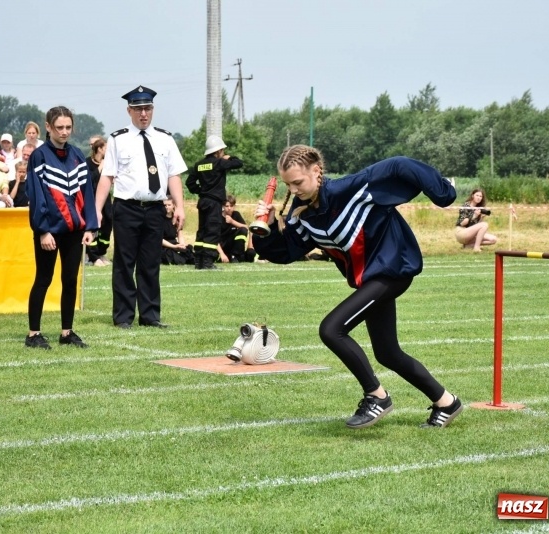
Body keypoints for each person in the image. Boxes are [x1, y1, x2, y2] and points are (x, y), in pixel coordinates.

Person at [252, 144, 463, 429]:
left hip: (393, 270)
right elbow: (285, 252)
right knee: (388, 353)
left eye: (298, 182)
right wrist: (264, 230)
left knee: (331, 329)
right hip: (372, 280)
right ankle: (447, 402)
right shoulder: (301, 213)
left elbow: (399, 163)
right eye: (288, 184)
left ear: (317, 171)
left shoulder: (351, 189)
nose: (294, 189)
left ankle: (377, 397)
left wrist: (443, 193)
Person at [94, 85, 187, 329]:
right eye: (138, 109)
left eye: (147, 108)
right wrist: (96, 209)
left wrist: (180, 206)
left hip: (156, 208)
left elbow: (174, 175)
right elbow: (107, 177)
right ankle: (124, 317)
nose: (143, 114)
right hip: (127, 208)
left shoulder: (165, 139)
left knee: (150, 263)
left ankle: (150, 316)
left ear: (153, 110)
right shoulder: (118, 139)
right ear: (129, 111)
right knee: (124, 263)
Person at [25, 106, 98, 349]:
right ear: (48, 127)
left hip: (75, 230)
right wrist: (43, 230)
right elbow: (36, 195)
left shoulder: (78, 155)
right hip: (50, 230)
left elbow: (87, 192)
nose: (64, 132)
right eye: (59, 127)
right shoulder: (39, 156)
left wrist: (89, 227)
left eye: (68, 127)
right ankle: (33, 334)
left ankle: (66, 332)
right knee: (43, 279)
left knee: (70, 279)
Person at [185, 135, 244, 269]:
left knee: (202, 231)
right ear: (217, 151)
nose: (223, 153)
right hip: (214, 203)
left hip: (203, 201)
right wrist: (230, 158)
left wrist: (200, 191)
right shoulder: (219, 162)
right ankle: (207, 262)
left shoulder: (199, 165)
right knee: (212, 231)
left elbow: (190, 183)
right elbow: (239, 163)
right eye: (222, 151)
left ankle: (198, 261)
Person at [85, 136, 113, 267]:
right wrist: (100, 167)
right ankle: (93, 256)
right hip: (91, 199)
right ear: (100, 149)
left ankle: (102, 253)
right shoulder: (87, 163)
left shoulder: (110, 163)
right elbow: (89, 180)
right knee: (93, 226)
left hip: (106, 199)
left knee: (108, 223)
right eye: (106, 148)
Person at [217, 195, 255, 263]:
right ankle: (233, 256)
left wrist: (232, 221)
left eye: (231, 206)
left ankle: (237, 256)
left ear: (234, 206)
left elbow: (246, 228)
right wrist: (222, 254)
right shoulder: (218, 217)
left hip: (234, 246)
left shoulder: (236, 214)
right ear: (223, 206)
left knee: (243, 230)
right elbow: (214, 238)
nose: (229, 208)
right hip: (223, 244)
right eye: (227, 206)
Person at [161, 196, 195, 265]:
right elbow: (159, 239)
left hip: (175, 244)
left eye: (169, 205)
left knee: (188, 251)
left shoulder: (177, 219)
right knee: (174, 257)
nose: (167, 207)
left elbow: (180, 235)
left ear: (173, 205)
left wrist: (181, 245)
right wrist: (174, 247)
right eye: (165, 205)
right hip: (164, 246)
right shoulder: (160, 220)